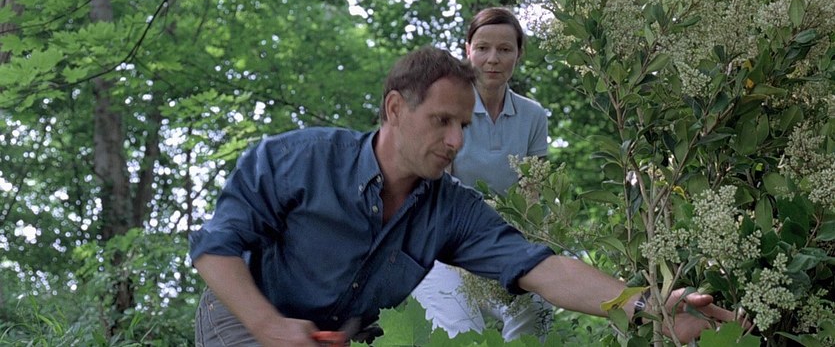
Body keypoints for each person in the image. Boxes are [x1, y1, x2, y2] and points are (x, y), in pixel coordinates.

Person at [189, 46, 741, 346]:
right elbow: (214, 249)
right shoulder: (297, 158)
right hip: (247, 317)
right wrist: (269, 327)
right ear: (395, 109)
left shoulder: (452, 209)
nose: (456, 141)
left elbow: (544, 270)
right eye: (442, 121)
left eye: (465, 125)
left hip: (347, 334)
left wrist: (648, 307)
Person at [411, 7, 553, 341]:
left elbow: (533, 198)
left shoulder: (533, 116)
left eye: (505, 49)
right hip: (442, 250)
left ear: (518, 54)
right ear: (468, 51)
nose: (493, 59)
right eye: (483, 48)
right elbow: (437, 192)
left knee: (539, 307)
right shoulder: (446, 109)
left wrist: (527, 251)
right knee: (461, 334)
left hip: (504, 248)